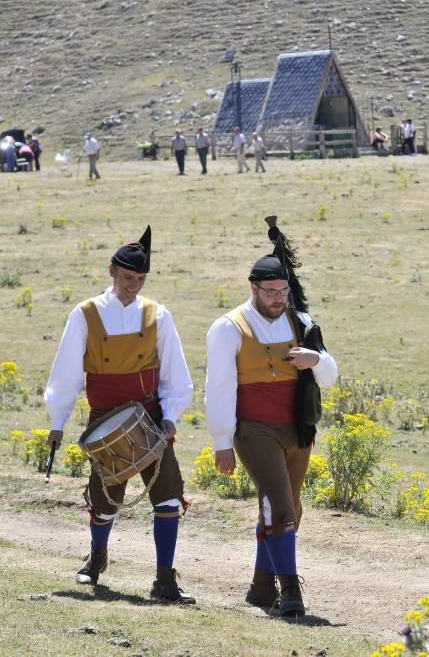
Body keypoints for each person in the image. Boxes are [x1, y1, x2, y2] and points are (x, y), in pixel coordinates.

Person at [45, 226, 196, 603]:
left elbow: (176, 373)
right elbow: (65, 373)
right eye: (129, 278)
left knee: (167, 497)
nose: (135, 285)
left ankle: (164, 578)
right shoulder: (84, 314)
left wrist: (172, 415)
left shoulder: (158, 315)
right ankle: (97, 557)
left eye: (141, 279)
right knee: (104, 499)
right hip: (103, 419)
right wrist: (57, 422)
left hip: (150, 419)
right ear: (111, 270)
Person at [205, 227, 337, 617]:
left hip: (298, 430)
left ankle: (261, 588)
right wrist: (221, 441)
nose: (278, 300)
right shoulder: (228, 327)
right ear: (253, 289)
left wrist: (315, 360)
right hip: (253, 429)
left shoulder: (302, 321)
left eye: (283, 292)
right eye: (270, 292)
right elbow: (219, 388)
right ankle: (291, 592)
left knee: (289, 506)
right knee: (279, 502)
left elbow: (329, 375)